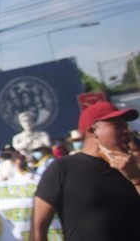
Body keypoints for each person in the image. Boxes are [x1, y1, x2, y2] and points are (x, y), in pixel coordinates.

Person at [31, 101, 140, 241]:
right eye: (117, 126)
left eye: (125, 126)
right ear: (92, 131)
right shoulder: (63, 168)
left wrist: (136, 179)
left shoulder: (133, 167)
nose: (126, 131)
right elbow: (38, 229)